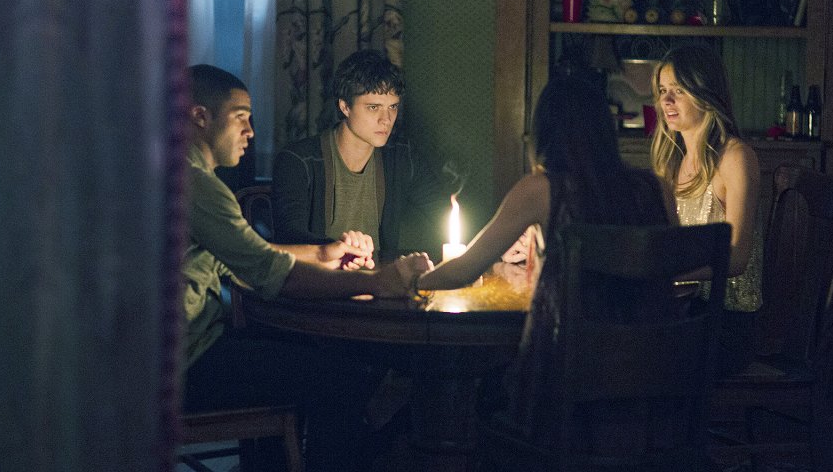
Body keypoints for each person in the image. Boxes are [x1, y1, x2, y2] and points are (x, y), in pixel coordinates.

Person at [181, 64, 431, 471]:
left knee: (329, 366)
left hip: (165, 354)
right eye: (241, 117)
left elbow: (250, 254)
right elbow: (276, 276)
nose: (251, 132)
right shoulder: (198, 185)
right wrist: (377, 282)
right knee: (342, 378)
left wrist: (324, 253)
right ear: (200, 116)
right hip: (185, 364)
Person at [416, 72, 676, 290]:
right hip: (655, 336)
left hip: (571, 336)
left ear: (543, 133)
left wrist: (413, 282)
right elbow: (674, 266)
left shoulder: (540, 190)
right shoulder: (657, 188)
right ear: (605, 130)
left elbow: (464, 271)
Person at [272, 49, 453, 260]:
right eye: (374, 107)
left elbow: (445, 212)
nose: (386, 119)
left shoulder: (401, 157)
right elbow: (289, 239)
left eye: (393, 107)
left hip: (378, 277)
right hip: (316, 278)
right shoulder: (297, 160)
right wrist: (339, 250)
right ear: (345, 107)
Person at [650, 43, 762, 375]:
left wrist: (664, 272)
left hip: (726, 322)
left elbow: (737, 258)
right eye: (662, 91)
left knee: (637, 352)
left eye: (678, 90)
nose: (666, 101)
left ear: (706, 94)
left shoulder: (735, 157)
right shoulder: (672, 162)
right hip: (685, 310)